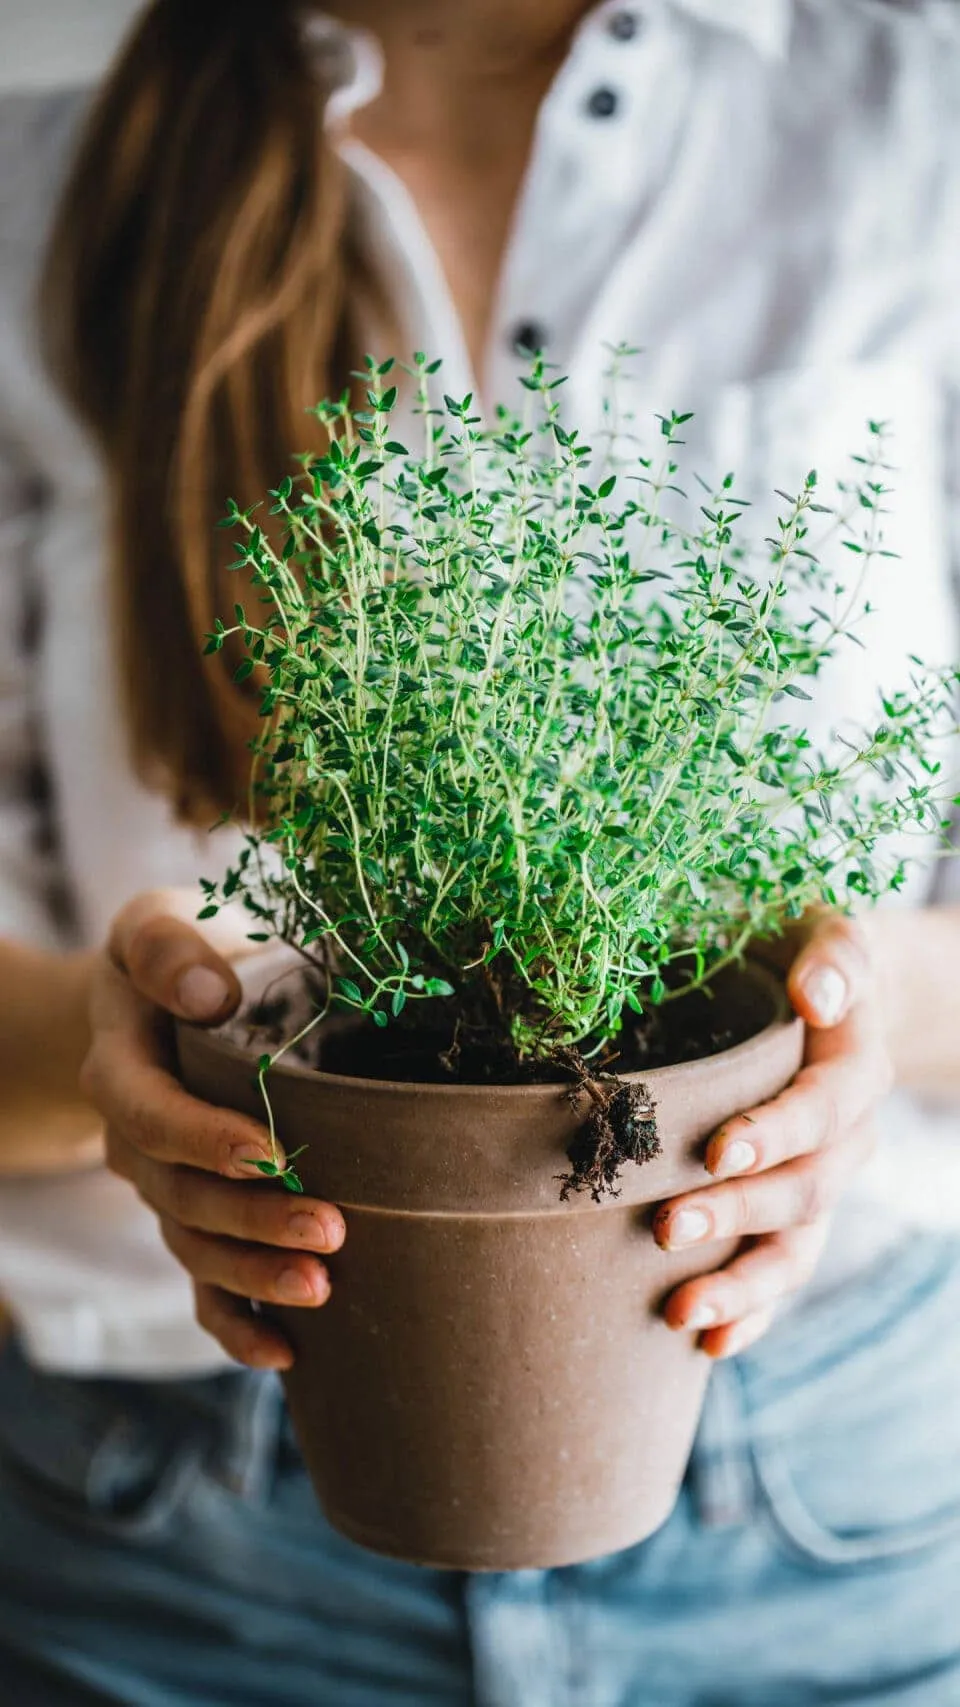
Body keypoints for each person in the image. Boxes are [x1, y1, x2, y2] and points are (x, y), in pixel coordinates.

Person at [0, 0, 959, 1701]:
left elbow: (890, 970)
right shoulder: (40, 206)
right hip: (174, 1550)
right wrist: (141, 1046)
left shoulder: (913, 116)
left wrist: (853, 1006)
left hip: (837, 1508)